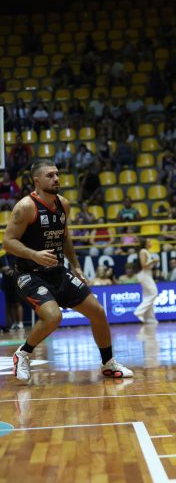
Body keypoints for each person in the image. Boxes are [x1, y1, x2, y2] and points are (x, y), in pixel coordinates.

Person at [3, 160, 133, 383]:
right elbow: (8, 242)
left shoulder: (64, 204)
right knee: (54, 317)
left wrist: (76, 266)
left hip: (57, 271)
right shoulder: (25, 207)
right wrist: (34, 254)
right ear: (37, 181)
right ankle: (22, 354)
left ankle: (108, 363)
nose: (56, 178)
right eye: (50, 175)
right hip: (30, 273)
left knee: (98, 312)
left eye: (57, 174)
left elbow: (65, 237)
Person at [134, 237, 159, 324]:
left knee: (147, 296)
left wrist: (153, 263)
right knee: (154, 292)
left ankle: (149, 318)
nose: (151, 243)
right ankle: (139, 311)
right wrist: (153, 261)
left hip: (148, 274)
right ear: (145, 244)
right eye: (149, 242)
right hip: (144, 274)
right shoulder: (143, 251)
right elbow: (143, 265)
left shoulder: (147, 251)